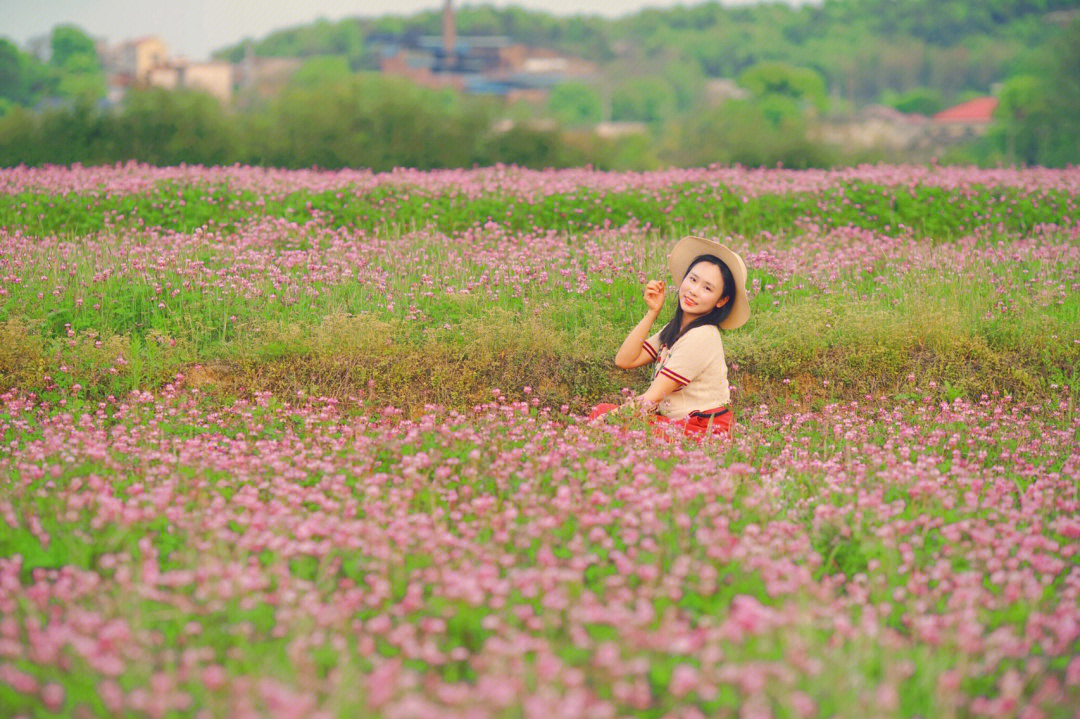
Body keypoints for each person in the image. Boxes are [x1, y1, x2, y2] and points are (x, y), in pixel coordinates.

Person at [589, 235, 750, 442]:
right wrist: (652, 312)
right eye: (692, 279)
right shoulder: (677, 328)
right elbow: (625, 360)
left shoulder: (702, 336)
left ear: (721, 300)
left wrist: (604, 421)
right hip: (678, 424)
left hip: (703, 429)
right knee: (603, 412)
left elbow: (652, 397)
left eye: (707, 288)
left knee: (611, 422)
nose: (693, 291)